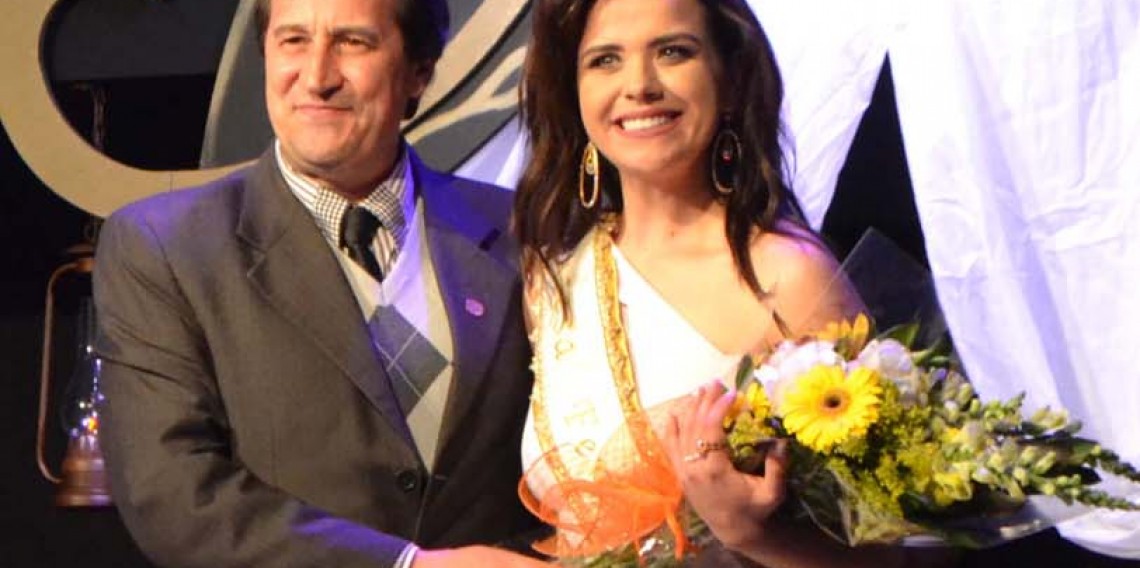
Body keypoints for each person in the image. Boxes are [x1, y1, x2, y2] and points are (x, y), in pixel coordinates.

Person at [93, 0, 546, 566]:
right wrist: (406, 565)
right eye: (293, 41)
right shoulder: (166, 248)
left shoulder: (524, 233)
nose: (317, 76)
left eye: (353, 42)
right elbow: (174, 493)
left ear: (419, 71)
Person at [513, 0, 957, 566]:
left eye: (673, 52)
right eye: (605, 60)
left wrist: (751, 533)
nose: (639, 85)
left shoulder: (788, 278)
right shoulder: (552, 279)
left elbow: (901, 554)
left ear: (728, 77)